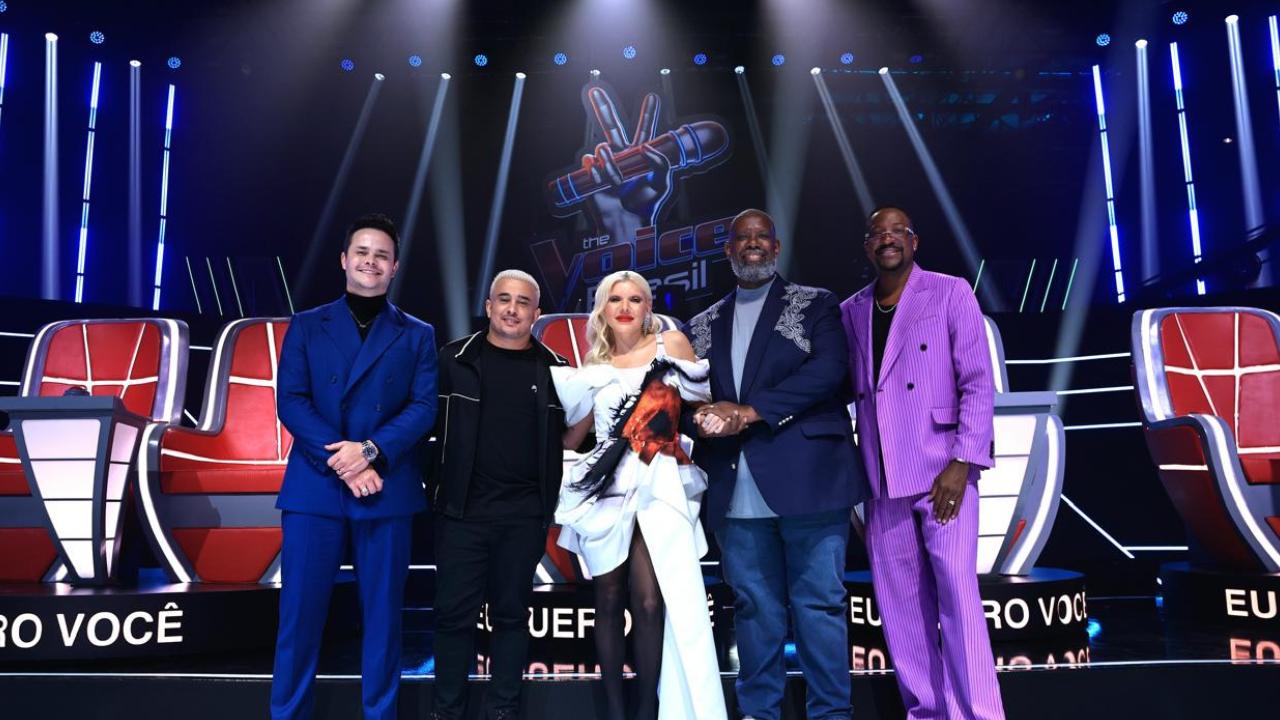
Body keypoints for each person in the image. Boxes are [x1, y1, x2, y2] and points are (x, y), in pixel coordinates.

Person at [684, 208, 868, 720]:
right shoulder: (702, 324)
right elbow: (687, 395)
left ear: (776, 246)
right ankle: (759, 712)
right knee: (753, 609)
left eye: (761, 236)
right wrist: (699, 418)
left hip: (811, 480)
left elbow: (829, 371)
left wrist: (750, 412)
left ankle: (831, 714)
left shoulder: (815, 304)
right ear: (728, 251)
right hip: (735, 488)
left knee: (820, 604)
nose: (752, 244)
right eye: (742, 238)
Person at [271, 213, 438, 720]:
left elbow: (423, 407)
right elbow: (291, 400)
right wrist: (345, 461)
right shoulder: (307, 324)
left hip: (385, 485)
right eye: (362, 252)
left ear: (395, 267)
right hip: (315, 487)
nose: (371, 261)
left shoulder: (417, 334)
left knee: (384, 620)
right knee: (299, 617)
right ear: (344, 259)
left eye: (382, 255)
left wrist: (369, 451)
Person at [840, 206, 1005, 719]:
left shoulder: (950, 291)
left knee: (958, 598)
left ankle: (979, 714)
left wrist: (963, 461)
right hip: (882, 479)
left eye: (898, 231)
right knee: (901, 611)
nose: (887, 239)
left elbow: (977, 382)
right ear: (867, 247)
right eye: (878, 233)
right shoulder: (851, 310)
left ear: (915, 241)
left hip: (942, 473)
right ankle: (928, 712)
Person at [552, 270, 727, 720]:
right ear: (603, 309)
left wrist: (711, 420)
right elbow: (576, 435)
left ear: (649, 307)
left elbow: (700, 407)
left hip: (660, 483)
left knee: (650, 600)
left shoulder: (674, 347)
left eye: (635, 299)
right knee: (608, 598)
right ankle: (615, 710)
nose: (625, 307)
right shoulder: (594, 365)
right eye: (616, 299)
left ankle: (649, 708)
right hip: (608, 492)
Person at [429, 270, 569, 720]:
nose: (512, 309)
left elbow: (573, 439)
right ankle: (447, 712)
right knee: (453, 617)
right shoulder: (452, 360)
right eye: (503, 299)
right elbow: (422, 427)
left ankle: (502, 711)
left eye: (523, 302)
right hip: (460, 513)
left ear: (537, 313)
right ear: (488, 306)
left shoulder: (558, 370)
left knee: (511, 616)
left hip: (524, 516)